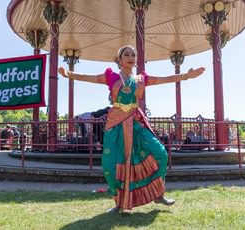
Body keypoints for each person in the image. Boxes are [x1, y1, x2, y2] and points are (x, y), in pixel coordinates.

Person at [58, 45, 205, 213]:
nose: (130, 56)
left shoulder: (141, 79)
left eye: (133, 54)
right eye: (126, 54)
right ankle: (119, 202)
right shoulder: (111, 77)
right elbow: (88, 77)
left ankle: (158, 194)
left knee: (160, 154)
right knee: (109, 164)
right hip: (115, 124)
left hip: (136, 122)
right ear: (119, 60)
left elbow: (165, 79)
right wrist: (69, 74)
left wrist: (186, 76)